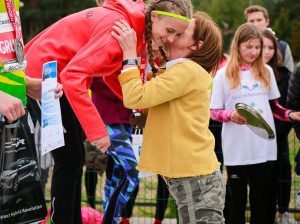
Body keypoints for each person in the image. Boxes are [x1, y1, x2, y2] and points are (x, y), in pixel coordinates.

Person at [24, 0, 193, 223]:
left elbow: (111, 74)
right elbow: (74, 76)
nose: (170, 39)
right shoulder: (119, 30)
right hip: (43, 75)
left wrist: (138, 107)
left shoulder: (135, 34)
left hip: (60, 77)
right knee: (70, 159)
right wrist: (97, 130)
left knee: (75, 159)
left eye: (177, 35)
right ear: (153, 17)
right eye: (169, 31)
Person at [112, 11, 225, 223]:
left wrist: (129, 54)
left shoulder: (186, 70)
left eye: (183, 29)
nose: (176, 28)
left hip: (196, 177)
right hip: (196, 176)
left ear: (196, 45)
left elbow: (136, 97)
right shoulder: (182, 71)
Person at [210, 23, 300, 224]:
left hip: (264, 150)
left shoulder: (266, 71)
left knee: (263, 203)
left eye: (257, 47)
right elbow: (213, 112)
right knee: (236, 204)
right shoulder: (223, 75)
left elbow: (274, 107)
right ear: (237, 46)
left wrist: (291, 115)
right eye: (248, 47)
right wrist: (230, 114)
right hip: (237, 152)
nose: (254, 52)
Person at [261, 29, 296, 224]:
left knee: (282, 172)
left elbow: (288, 107)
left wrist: (275, 132)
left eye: (270, 48)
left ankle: (283, 213)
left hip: (278, 137)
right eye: (262, 47)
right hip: (253, 138)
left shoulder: (285, 75)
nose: (266, 52)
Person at [244, 5, 294, 73]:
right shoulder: (242, 47)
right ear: (247, 23)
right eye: (252, 21)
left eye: (259, 20)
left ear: (267, 21)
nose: (255, 24)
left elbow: (291, 77)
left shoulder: (283, 47)